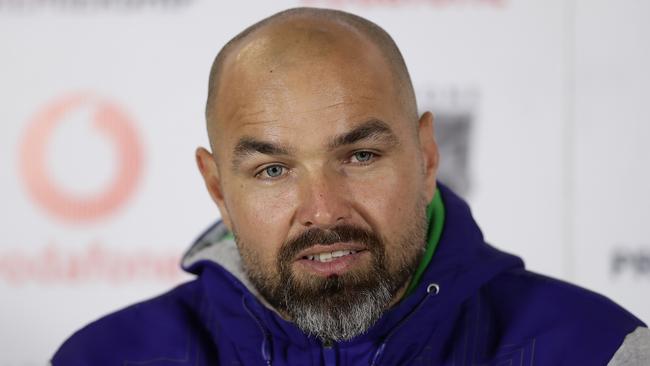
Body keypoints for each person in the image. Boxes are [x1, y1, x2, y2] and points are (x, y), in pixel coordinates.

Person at [52, 7, 649, 365]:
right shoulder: (103, 359)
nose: (324, 211)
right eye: (273, 170)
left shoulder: (597, 349)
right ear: (217, 190)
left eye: (360, 155)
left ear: (426, 156)